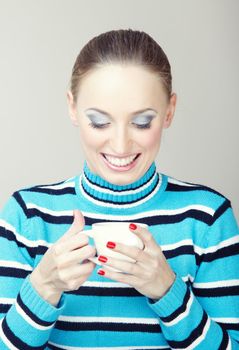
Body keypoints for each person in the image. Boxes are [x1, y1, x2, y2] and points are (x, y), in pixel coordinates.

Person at [0, 29, 238, 350]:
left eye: (142, 122)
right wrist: (43, 287)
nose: (121, 144)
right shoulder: (27, 214)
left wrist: (168, 291)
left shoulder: (208, 217)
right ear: (72, 108)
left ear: (169, 111)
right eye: (99, 121)